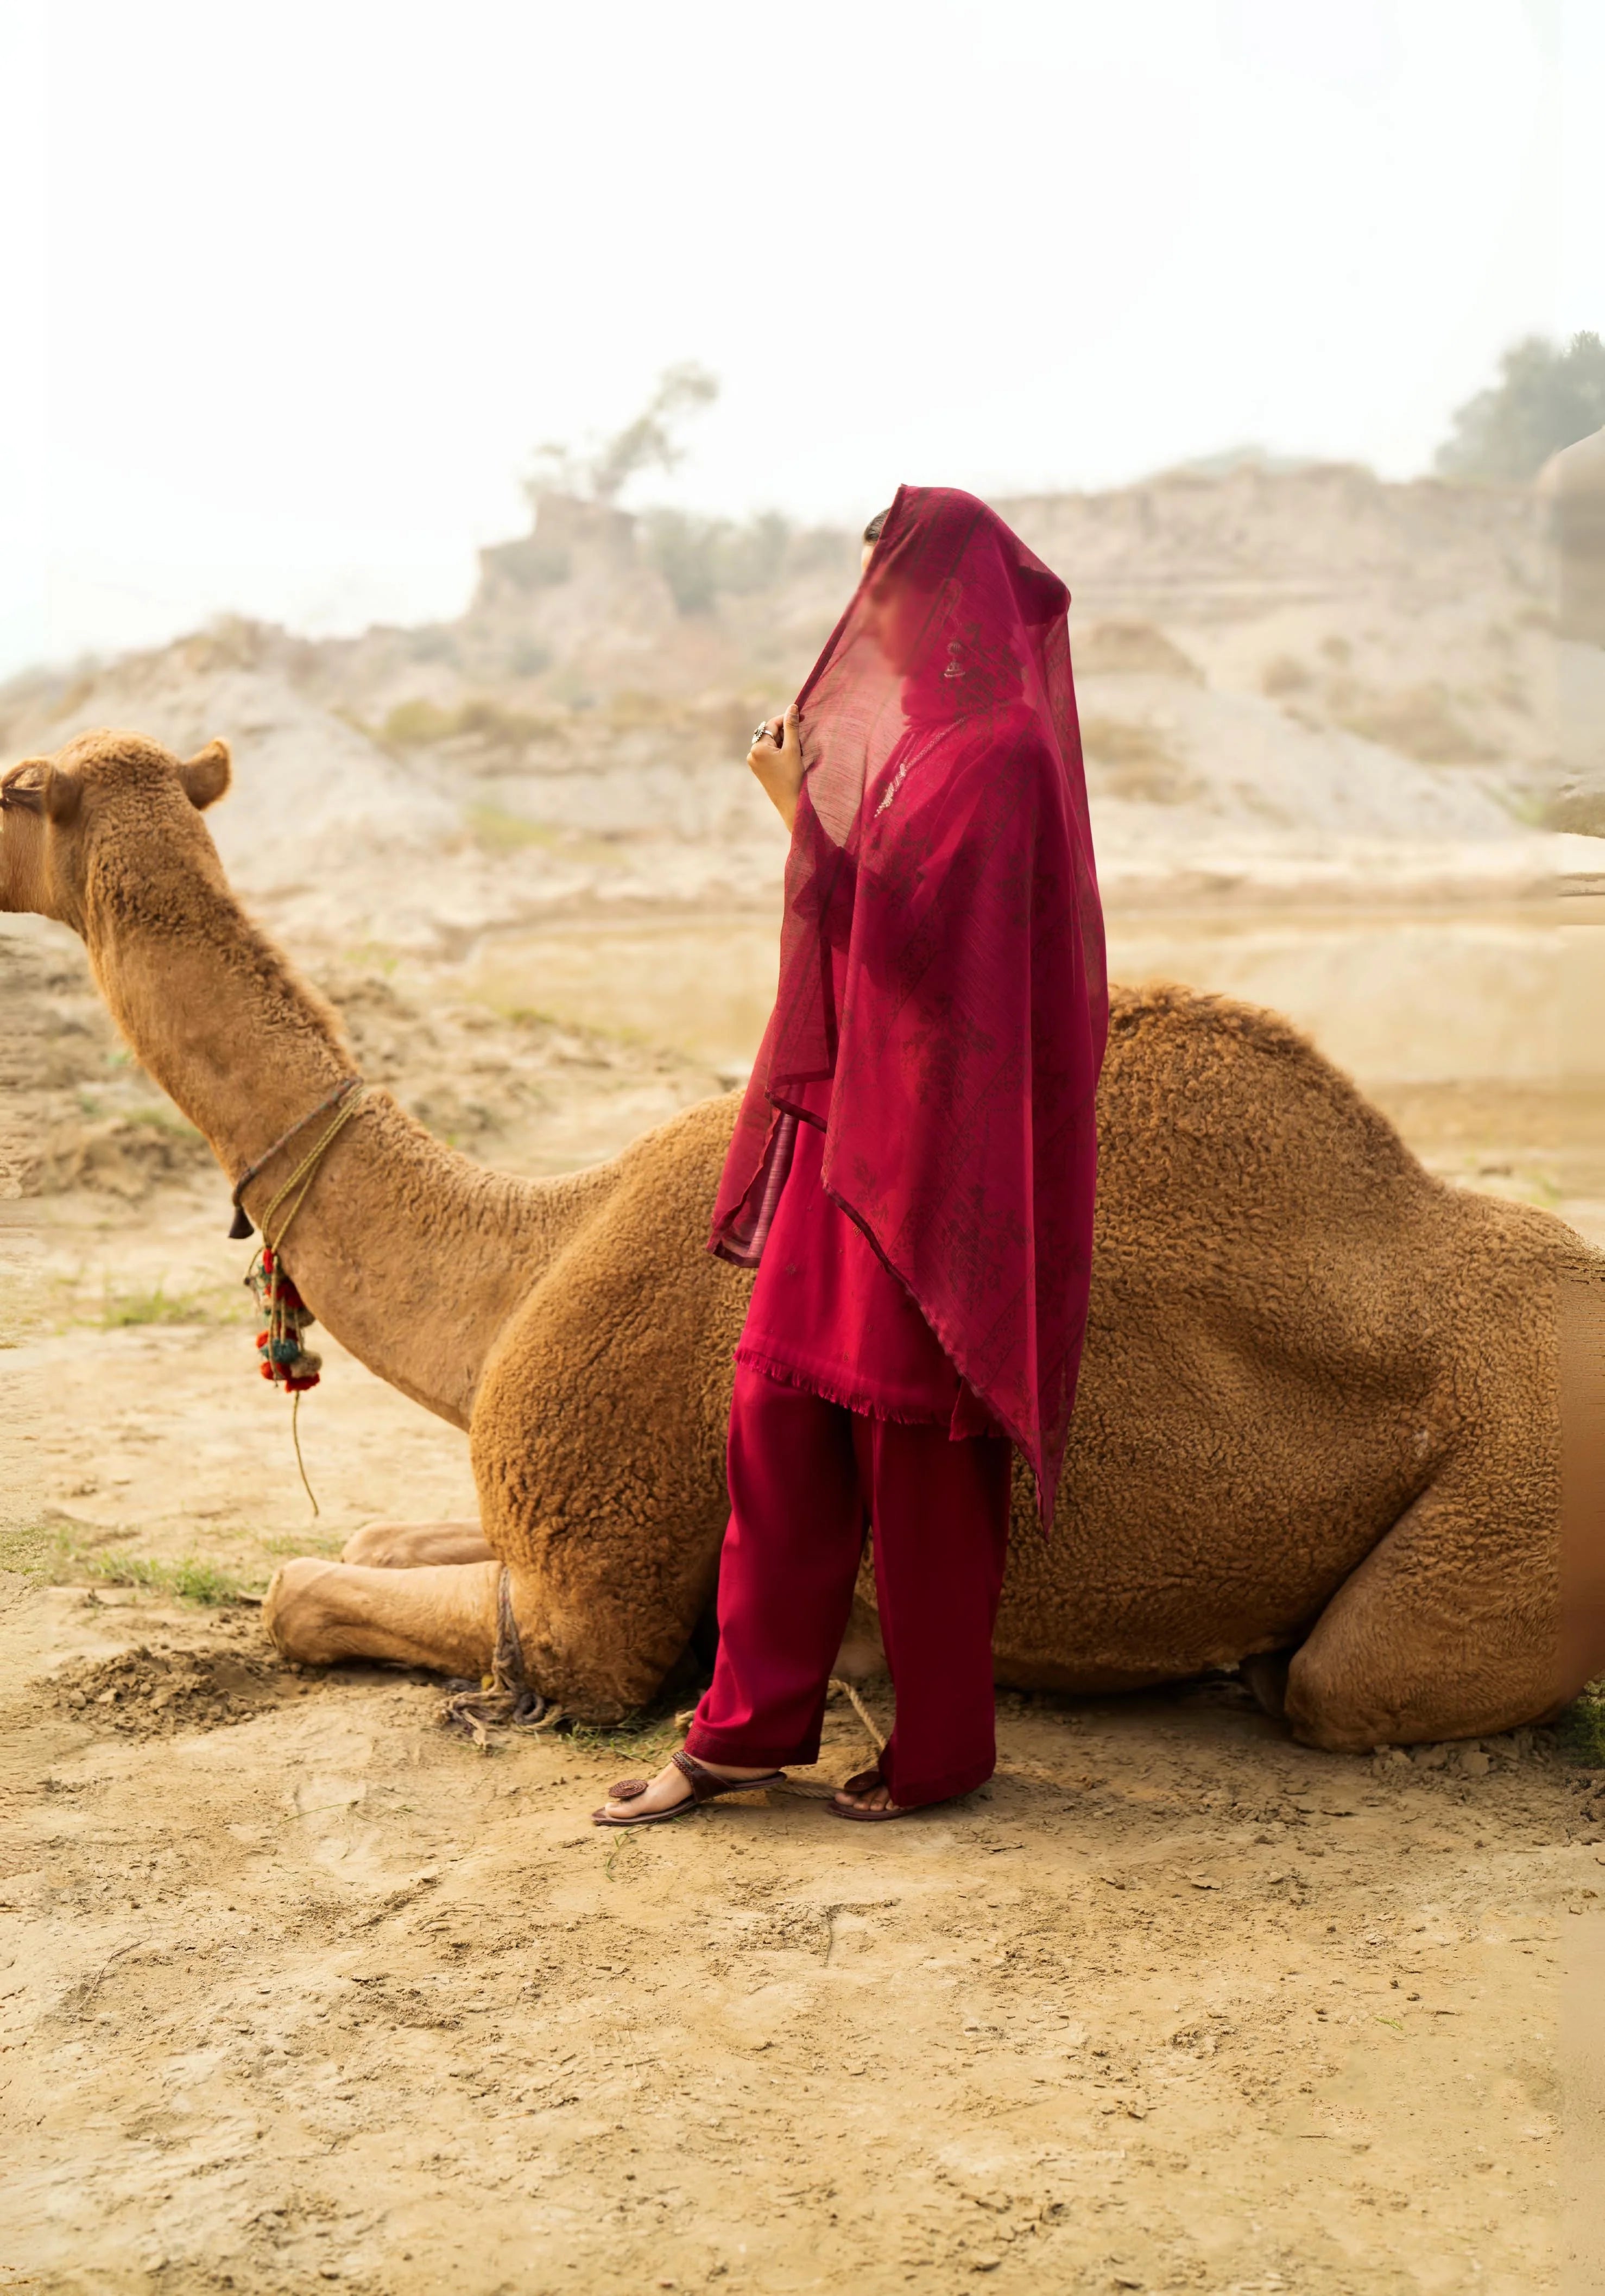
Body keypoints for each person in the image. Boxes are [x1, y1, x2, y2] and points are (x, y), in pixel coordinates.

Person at [595, 486, 1107, 1825]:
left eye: (887, 576)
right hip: (850, 1128)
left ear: (943, 591)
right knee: (775, 1414)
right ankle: (740, 1733)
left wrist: (792, 815)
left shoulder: (996, 751)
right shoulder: (922, 743)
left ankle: (941, 1752)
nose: (865, 603)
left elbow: (928, 959)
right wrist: (819, 811)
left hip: (936, 1152)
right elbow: (874, 930)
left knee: (917, 1461)